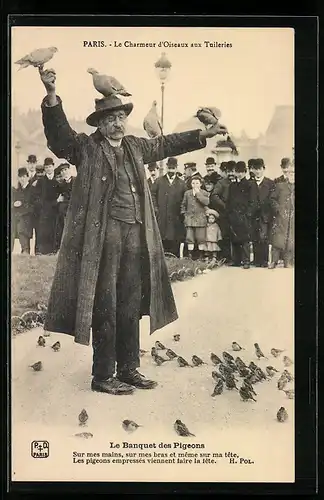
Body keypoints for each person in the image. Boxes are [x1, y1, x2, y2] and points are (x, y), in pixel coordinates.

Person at [39, 66, 227, 395]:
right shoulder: (85, 148)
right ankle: (102, 375)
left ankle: (129, 369)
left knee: (129, 300)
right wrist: (52, 95)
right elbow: (58, 138)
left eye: (121, 117)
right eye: (110, 118)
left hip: (135, 236)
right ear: (99, 123)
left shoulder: (135, 147)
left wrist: (202, 136)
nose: (118, 123)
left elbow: (166, 144)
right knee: (106, 304)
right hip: (103, 239)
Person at [151, 157, 187, 258]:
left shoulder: (182, 184)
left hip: (176, 216)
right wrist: (155, 208)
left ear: (176, 168)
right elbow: (152, 194)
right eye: (170, 168)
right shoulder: (158, 181)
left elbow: (185, 199)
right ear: (166, 167)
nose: (171, 170)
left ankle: (174, 260)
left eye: (173, 168)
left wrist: (182, 211)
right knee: (161, 237)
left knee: (175, 238)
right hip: (161, 215)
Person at [226, 161, 256, 269]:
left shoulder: (250, 184)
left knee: (245, 239)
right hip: (234, 216)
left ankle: (246, 261)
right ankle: (236, 260)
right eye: (237, 172)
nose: (239, 174)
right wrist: (229, 213)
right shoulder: (232, 185)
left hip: (244, 216)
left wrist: (247, 214)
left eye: (241, 172)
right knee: (235, 238)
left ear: (245, 172)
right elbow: (228, 201)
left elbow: (253, 201)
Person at [249, 158, 275, 267]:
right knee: (255, 236)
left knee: (264, 237)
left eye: (260, 169)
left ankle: (264, 260)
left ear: (263, 169)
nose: (258, 171)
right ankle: (256, 260)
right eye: (256, 169)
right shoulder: (249, 183)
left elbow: (272, 199)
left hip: (265, 215)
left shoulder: (270, 183)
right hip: (253, 214)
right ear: (253, 170)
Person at [209, 161, 236, 263]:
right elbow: (214, 196)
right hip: (225, 214)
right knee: (225, 235)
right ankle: (227, 258)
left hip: (237, 214)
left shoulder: (239, 182)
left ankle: (237, 258)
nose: (231, 174)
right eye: (229, 171)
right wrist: (224, 205)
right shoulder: (222, 183)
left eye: (233, 171)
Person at [33, 157, 61, 255]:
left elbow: (61, 194)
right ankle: (42, 251)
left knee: (54, 229)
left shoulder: (58, 180)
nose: (48, 169)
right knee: (43, 229)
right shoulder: (41, 181)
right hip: (44, 209)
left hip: (55, 209)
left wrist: (56, 202)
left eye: (50, 167)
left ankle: (53, 250)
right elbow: (37, 196)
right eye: (46, 167)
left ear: (53, 167)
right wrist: (42, 205)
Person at [269, 162, 294, 268]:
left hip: (292, 218)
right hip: (280, 218)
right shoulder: (279, 186)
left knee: (291, 239)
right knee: (277, 239)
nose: (292, 175)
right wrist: (278, 209)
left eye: (294, 173)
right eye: (290, 173)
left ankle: (287, 261)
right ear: (287, 174)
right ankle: (273, 261)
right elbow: (272, 199)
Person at [181, 175, 209, 260]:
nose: (195, 185)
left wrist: (198, 194)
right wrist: (184, 213)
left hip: (200, 219)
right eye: (193, 183)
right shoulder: (187, 193)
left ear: (201, 184)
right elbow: (183, 204)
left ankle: (201, 255)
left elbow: (206, 202)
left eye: (197, 183)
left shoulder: (204, 192)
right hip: (189, 219)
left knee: (201, 238)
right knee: (190, 238)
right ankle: (190, 255)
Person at [11, 167, 35, 254]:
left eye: (24, 176)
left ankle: (25, 253)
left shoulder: (32, 189)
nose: (22, 179)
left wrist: (22, 208)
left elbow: (34, 206)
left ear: (28, 177)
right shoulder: (17, 190)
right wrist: (14, 204)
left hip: (27, 219)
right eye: (20, 177)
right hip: (17, 218)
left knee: (25, 243)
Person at [54, 163, 74, 252]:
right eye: (62, 171)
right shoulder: (60, 185)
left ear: (69, 170)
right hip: (64, 212)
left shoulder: (77, 181)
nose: (64, 172)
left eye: (65, 170)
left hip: (74, 211)